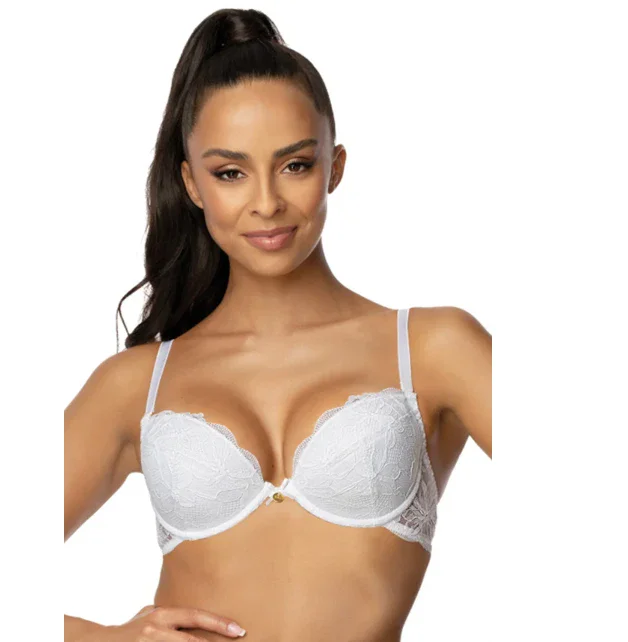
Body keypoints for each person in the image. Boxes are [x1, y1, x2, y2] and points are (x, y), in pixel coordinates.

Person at [64, 8, 492, 641]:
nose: (266, 202)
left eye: (295, 165)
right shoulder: (135, 384)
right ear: (192, 184)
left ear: (334, 167)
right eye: (230, 173)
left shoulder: (433, 349)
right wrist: (104, 639)